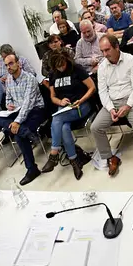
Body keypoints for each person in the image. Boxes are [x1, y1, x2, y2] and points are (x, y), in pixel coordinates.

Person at [91, 35, 133, 176]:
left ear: (116, 47)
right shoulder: (102, 67)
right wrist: (111, 108)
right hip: (113, 102)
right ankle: (110, 157)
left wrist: (128, 106)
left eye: (107, 50)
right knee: (95, 127)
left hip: (132, 100)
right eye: (102, 51)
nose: (105, 54)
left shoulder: (132, 61)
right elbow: (103, 92)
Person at [40, 50, 96, 179]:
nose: (61, 67)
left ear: (66, 60)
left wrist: (81, 100)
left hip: (82, 105)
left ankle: (54, 154)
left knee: (56, 118)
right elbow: (53, 97)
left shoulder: (76, 69)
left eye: (63, 64)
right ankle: (74, 161)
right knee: (64, 127)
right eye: (58, 66)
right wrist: (60, 101)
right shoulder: (53, 74)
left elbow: (92, 88)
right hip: (65, 108)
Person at [0, 54, 46, 186]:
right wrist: (9, 105)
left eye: (11, 63)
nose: (9, 67)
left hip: (36, 110)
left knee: (18, 135)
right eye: (6, 65)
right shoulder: (8, 79)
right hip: (18, 111)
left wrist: (17, 122)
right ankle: (27, 132)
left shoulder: (29, 78)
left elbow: (28, 104)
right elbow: (8, 98)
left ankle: (32, 170)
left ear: (18, 63)